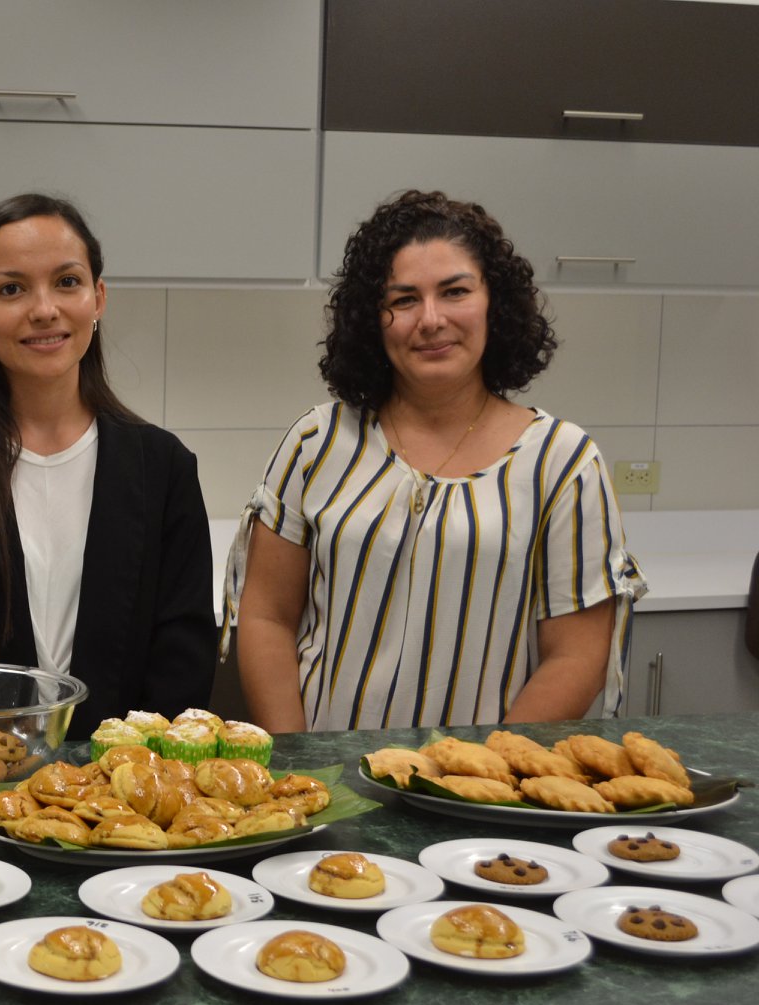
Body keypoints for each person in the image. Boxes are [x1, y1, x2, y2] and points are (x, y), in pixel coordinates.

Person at [227, 189, 646, 733]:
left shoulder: (562, 462)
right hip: (327, 783)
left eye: (454, 292)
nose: (430, 319)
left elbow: (576, 657)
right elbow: (265, 617)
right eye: (403, 299)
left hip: (480, 790)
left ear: (495, 303)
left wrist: (479, 777)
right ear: (372, 320)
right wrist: (299, 765)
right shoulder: (316, 442)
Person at [0, 193, 216, 740]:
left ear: (98, 297)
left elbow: (181, 674)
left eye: (67, 282)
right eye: (12, 288)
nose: (44, 308)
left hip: (117, 801)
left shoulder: (161, 468)